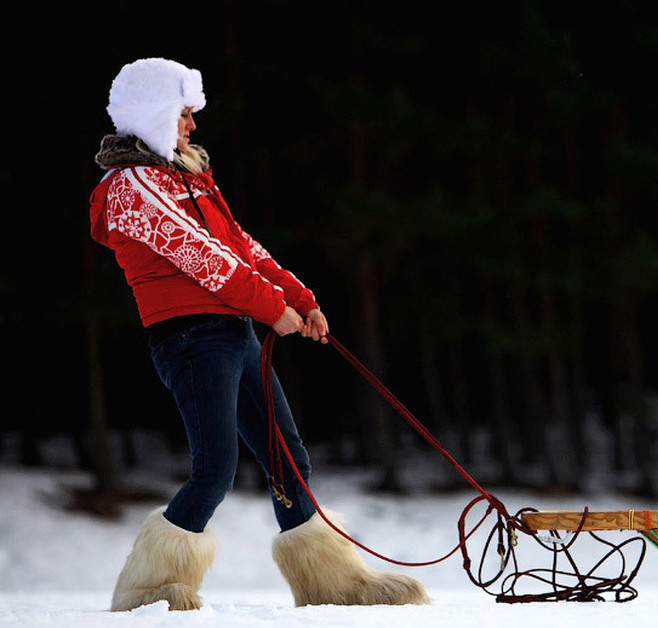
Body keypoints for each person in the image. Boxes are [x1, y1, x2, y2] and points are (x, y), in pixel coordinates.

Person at [89, 58, 429, 611]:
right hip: (191, 337)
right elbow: (200, 256)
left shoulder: (188, 177)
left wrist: (300, 298)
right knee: (215, 468)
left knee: (287, 457)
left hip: (232, 328)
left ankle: (332, 585)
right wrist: (274, 307)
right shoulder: (132, 186)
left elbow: (242, 246)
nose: (192, 126)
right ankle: (146, 590)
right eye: (182, 114)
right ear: (153, 114)